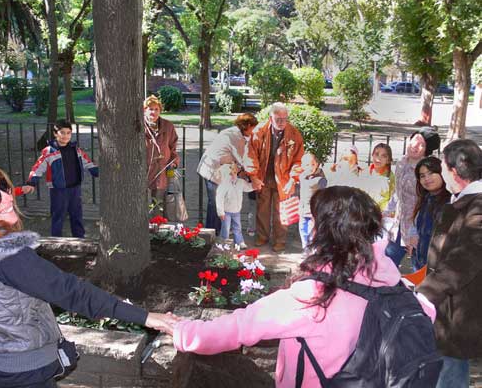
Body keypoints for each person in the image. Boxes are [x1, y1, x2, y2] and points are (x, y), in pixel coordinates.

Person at [172, 186, 436, 388]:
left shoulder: (314, 295)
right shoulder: (391, 278)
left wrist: (181, 330)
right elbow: (428, 312)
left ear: (325, 231)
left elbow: (241, 327)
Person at [0, 163, 178, 388]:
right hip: (26, 375)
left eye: (4, 187)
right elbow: (72, 292)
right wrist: (149, 318)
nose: (8, 198)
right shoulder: (8, 256)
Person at [417, 139, 482, 388]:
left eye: (443, 169)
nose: (442, 175)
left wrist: (425, 293)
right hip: (447, 309)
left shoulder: (477, 206)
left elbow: (462, 261)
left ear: (455, 172)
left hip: (459, 311)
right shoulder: (464, 201)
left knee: (450, 372)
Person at [244, 103, 304, 252]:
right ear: (271, 118)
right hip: (263, 176)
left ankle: (280, 240)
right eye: (278, 119)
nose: (282, 122)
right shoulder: (259, 132)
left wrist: (293, 179)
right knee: (262, 210)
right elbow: (250, 155)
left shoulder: (294, 134)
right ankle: (262, 237)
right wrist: (254, 177)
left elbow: (298, 160)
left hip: (283, 179)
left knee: (281, 211)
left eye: (285, 118)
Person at [27, 120, 99, 238]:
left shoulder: (75, 149)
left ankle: (80, 240)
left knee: (77, 215)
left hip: (75, 188)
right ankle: (56, 241)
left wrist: (97, 171)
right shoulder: (49, 151)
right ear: (55, 134)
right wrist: (31, 182)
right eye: (62, 132)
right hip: (58, 190)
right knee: (58, 216)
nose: (66, 136)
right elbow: (37, 168)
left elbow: (87, 162)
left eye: (68, 133)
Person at [384, 127, 440, 266]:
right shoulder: (402, 162)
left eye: (422, 145)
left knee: (419, 268)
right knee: (387, 264)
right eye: (415, 140)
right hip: (398, 226)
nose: (415, 146)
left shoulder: (428, 172)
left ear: (426, 150)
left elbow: (426, 204)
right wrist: (386, 211)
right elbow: (398, 192)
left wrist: (414, 232)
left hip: (417, 230)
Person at [197, 113, 258, 235]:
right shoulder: (236, 137)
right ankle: (212, 232)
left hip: (216, 169)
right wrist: (252, 177)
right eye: (253, 128)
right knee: (215, 203)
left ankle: (217, 230)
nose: (253, 132)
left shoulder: (234, 132)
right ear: (248, 125)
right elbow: (241, 160)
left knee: (217, 201)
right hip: (213, 171)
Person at [410, 157, 450, 271]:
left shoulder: (451, 203)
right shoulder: (426, 199)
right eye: (422, 176)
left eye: (431, 173)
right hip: (420, 263)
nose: (427, 179)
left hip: (438, 268)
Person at [144, 95, 179, 216]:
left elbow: (173, 146)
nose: (153, 112)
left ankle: (158, 226)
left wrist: (174, 161)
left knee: (159, 203)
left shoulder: (168, 126)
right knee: (144, 203)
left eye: (156, 109)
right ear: (144, 110)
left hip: (162, 171)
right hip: (144, 171)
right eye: (150, 109)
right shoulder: (139, 126)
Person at [216, 163, 254, 249]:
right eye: (230, 174)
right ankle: (224, 242)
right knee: (225, 228)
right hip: (226, 211)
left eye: (234, 172)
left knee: (237, 227)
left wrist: (254, 186)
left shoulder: (240, 182)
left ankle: (239, 242)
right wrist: (220, 212)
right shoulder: (223, 185)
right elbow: (219, 199)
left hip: (236, 210)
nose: (232, 175)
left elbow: (247, 187)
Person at [297, 153, 326, 250]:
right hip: (303, 209)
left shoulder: (320, 178)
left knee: (312, 231)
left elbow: (320, 184)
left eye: (312, 164)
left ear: (317, 164)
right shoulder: (303, 175)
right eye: (306, 165)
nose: (309, 167)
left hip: (314, 211)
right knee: (302, 229)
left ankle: (314, 250)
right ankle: (305, 248)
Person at [366, 143, 395, 211]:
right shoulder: (364, 172)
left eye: (383, 156)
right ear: (372, 155)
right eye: (376, 154)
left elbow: (392, 200)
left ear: (388, 160)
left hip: (381, 214)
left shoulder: (391, 177)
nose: (378, 158)